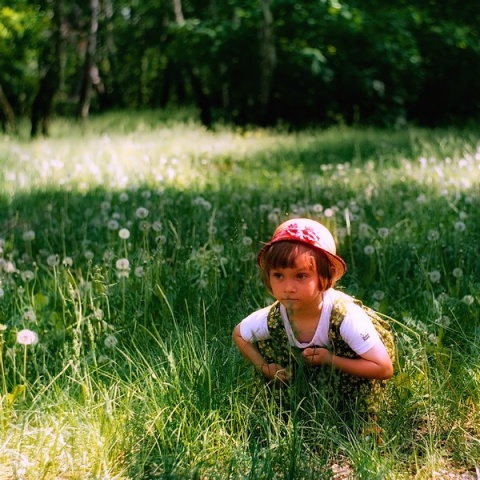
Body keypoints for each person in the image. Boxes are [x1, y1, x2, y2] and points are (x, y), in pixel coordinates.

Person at [232, 218, 395, 419]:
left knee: (355, 415)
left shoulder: (345, 317)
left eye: (301, 276)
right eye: (278, 275)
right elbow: (239, 334)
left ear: (327, 276)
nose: (288, 287)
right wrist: (265, 368)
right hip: (307, 381)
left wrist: (330, 360)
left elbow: (383, 368)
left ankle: (357, 417)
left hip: (353, 380)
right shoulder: (274, 318)